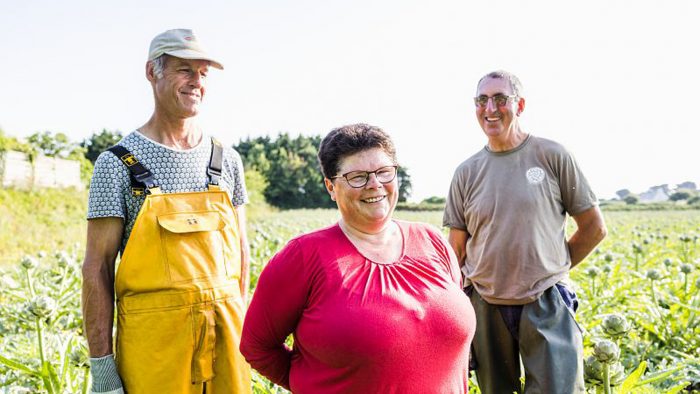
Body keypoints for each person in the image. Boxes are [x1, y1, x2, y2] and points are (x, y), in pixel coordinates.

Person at [240, 123, 476, 393]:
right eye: (358, 177)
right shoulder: (303, 258)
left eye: (384, 172)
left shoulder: (434, 242)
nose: (375, 184)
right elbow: (256, 346)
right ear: (331, 186)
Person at [81, 29, 252, 394]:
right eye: (184, 70)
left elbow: (241, 255)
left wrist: (244, 338)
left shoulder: (227, 161)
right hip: (153, 354)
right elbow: (97, 267)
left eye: (203, 74)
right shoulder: (116, 164)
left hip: (225, 344)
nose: (196, 82)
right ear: (151, 73)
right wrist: (102, 368)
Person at [443, 70, 607, 393]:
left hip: (545, 301)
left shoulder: (552, 155)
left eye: (500, 99)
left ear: (519, 104)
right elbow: (456, 250)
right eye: (482, 100)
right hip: (486, 305)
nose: (490, 108)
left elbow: (594, 228)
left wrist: (552, 268)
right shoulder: (466, 173)